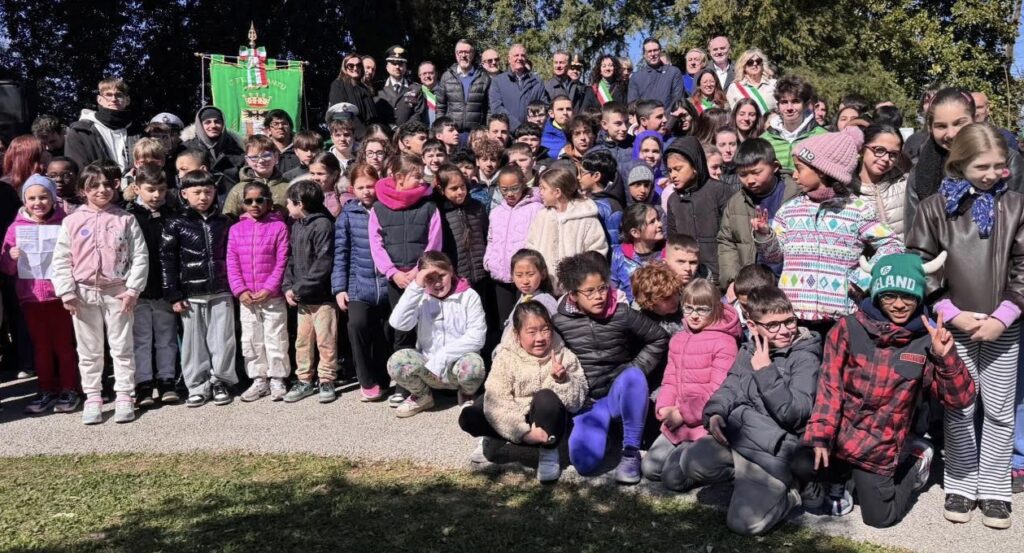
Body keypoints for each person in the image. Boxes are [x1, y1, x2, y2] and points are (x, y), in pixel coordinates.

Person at [799, 253, 975, 528]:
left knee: (880, 518)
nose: (899, 304)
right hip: (842, 435)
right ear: (877, 295)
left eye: (908, 296)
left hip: (881, 444)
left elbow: (960, 400)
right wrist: (821, 435)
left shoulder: (926, 338)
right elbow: (829, 385)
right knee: (800, 462)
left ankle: (917, 458)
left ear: (919, 297)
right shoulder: (848, 328)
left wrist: (946, 357)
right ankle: (843, 475)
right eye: (890, 296)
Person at [906, 124, 1024, 529]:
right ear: (959, 163)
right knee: (959, 405)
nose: (992, 174)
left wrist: (1004, 315)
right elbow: (921, 263)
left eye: (998, 166)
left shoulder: (1017, 206)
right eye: (981, 166)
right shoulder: (934, 208)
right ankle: (960, 483)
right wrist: (949, 311)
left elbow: (1023, 266)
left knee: (1000, 411)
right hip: (953, 324)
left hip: (1003, 324)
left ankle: (994, 488)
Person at [677, 286, 820, 536]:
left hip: (772, 452)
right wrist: (715, 413)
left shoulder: (805, 357)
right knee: (691, 461)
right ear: (752, 326)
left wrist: (765, 371)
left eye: (789, 321)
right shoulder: (749, 349)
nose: (785, 330)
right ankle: (747, 485)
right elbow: (730, 386)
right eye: (773, 325)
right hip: (739, 437)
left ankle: (792, 492)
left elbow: (796, 414)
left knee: (745, 524)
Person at [753, 127, 902, 330]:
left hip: (841, 318)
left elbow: (893, 245)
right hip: (794, 318)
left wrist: (862, 279)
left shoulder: (857, 210)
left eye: (799, 168)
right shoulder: (789, 210)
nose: (794, 175)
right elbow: (774, 257)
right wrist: (764, 235)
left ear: (822, 171)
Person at [552, 251, 669, 483]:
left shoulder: (622, 313)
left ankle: (631, 453)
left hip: (619, 393)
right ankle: (604, 435)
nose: (599, 296)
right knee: (584, 464)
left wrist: (634, 367)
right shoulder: (559, 322)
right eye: (589, 291)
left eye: (603, 288)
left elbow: (658, 338)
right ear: (573, 295)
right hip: (588, 402)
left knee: (634, 376)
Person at [52, 163, 148, 424]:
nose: (101, 190)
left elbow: (140, 256)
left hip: (118, 292)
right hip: (83, 294)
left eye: (107, 184)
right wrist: (67, 291)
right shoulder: (72, 221)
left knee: (122, 346)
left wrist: (133, 289)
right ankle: (93, 396)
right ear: (83, 190)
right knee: (89, 349)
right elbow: (61, 259)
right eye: (94, 186)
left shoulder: (125, 219)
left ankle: (125, 394)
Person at [459, 300, 588, 481]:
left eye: (545, 329)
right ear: (517, 333)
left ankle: (548, 450)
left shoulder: (563, 355)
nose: (540, 338)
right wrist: (523, 433)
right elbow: (497, 398)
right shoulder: (505, 357)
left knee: (546, 399)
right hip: (515, 418)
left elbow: (577, 402)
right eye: (532, 332)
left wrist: (563, 380)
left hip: (545, 422)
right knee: (472, 413)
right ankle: (496, 438)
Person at [644, 278, 741, 485]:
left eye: (702, 309)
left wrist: (683, 414)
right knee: (650, 469)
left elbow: (718, 391)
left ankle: (732, 474)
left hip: (704, 423)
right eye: (688, 308)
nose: (694, 315)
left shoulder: (725, 342)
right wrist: (664, 407)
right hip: (677, 420)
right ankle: (681, 455)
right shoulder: (678, 339)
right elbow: (670, 379)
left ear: (715, 308)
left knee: (673, 479)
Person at [1, 175, 78, 414]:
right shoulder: (16, 228)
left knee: (64, 345)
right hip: (31, 298)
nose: (38, 203)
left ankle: (70, 388)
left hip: (60, 296)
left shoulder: (64, 224)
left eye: (43, 197)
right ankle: (46, 389)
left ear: (53, 198)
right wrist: (11, 257)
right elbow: (6, 267)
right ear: (24, 200)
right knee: (41, 346)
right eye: (32, 198)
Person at [160, 170, 235, 408]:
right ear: (184, 194)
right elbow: (167, 260)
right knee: (194, 343)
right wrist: (173, 294)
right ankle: (197, 385)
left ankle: (220, 381)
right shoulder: (175, 223)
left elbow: (232, 255)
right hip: (191, 294)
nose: (203, 197)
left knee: (223, 339)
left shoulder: (223, 222)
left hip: (221, 290)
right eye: (197, 192)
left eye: (208, 192)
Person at [368, 154, 442, 384]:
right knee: (402, 329)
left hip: (423, 276)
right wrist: (393, 272)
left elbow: (434, 241)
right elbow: (376, 243)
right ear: (399, 178)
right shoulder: (379, 208)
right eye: (416, 176)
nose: (421, 181)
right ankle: (405, 382)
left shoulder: (429, 206)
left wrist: (419, 271)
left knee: (427, 328)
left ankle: (430, 380)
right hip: (396, 279)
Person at [386, 251, 487, 417]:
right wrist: (416, 286)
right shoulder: (420, 297)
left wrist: (443, 356)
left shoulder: (469, 296)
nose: (437, 283)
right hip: (429, 368)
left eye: (441, 276)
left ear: (451, 271)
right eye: (429, 279)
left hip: (456, 367)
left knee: (474, 365)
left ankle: (466, 393)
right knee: (396, 361)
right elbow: (398, 323)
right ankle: (422, 396)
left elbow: (477, 337)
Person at [906, 88, 1024, 228]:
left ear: (974, 119)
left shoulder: (1007, 160)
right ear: (930, 128)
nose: (951, 134)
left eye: (959, 123)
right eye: (941, 126)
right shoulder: (919, 173)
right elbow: (914, 231)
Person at [225, 180, 291, 403]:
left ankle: (278, 378)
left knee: (276, 337)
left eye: (259, 200)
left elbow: (282, 261)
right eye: (249, 201)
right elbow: (232, 262)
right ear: (242, 204)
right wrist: (239, 290)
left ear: (269, 202)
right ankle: (258, 378)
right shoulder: (236, 230)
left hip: (271, 295)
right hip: (247, 297)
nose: (254, 205)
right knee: (251, 339)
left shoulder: (279, 227)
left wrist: (270, 287)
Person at [333, 163, 393, 402]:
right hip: (359, 284)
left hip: (387, 283)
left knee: (385, 332)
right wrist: (339, 288)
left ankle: (383, 379)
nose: (367, 191)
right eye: (361, 187)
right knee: (357, 326)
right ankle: (366, 380)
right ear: (352, 189)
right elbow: (341, 252)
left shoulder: (387, 209)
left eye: (371, 186)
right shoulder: (348, 215)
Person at [124, 164, 179, 407]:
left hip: (165, 289)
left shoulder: (172, 215)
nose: (156, 195)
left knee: (166, 337)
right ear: (137, 189)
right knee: (141, 339)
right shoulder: (129, 217)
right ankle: (143, 383)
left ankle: (167, 380)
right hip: (139, 289)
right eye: (150, 190)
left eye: (161, 189)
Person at [281, 180, 338, 404]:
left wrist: (299, 288)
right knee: (302, 341)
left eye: (289, 203)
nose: (287, 207)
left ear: (300, 203)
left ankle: (327, 379)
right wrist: (288, 286)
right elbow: (291, 259)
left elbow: (324, 262)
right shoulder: (297, 225)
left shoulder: (323, 225)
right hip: (302, 298)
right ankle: (304, 379)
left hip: (322, 298)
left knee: (326, 340)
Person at [717, 137, 799, 287]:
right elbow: (727, 242)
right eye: (743, 175)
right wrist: (733, 281)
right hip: (752, 285)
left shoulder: (796, 195)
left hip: (791, 282)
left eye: (756, 172)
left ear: (775, 166)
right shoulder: (736, 203)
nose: (750, 180)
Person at [524, 165, 609, 293]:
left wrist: (581, 279)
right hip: (545, 286)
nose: (540, 192)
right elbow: (531, 246)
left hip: (576, 288)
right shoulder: (542, 216)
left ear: (557, 192)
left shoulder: (586, 218)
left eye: (543, 188)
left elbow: (596, 252)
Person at [663, 137, 731, 284]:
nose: (673, 175)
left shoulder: (720, 191)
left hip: (720, 277)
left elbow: (732, 238)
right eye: (670, 170)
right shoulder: (674, 200)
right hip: (688, 279)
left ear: (695, 166)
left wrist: (730, 278)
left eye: (678, 169)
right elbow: (673, 243)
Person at [484, 165, 544, 323]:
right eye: (504, 190)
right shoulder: (496, 212)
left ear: (523, 184)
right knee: (504, 322)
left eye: (514, 188)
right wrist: (489, 260)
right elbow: (491, 239)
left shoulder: (536, 208)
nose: (510, 194)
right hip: (500, 275)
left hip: (525, 276)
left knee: (525, 319)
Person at [65, 77, 141, 173]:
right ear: (99, 99)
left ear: (127, 100)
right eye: (108, 95)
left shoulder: (138, 133)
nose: (113, 99)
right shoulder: (80, 132)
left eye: (119, 95)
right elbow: (78, 171)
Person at [850, 124, 910, 242]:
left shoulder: (906, 184)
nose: (886, 158)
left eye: (893, 154)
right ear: (862, 148)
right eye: (879, 150)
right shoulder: (846, 190)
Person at [762, 76, 826, 173]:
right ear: (778, 106)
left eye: (795, 101)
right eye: (784, 102)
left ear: (805, 105)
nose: (789, 108)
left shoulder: (823, 137)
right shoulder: (764, 140)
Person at [222, 135, 287, 218]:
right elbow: (228, 219)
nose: (261, 160)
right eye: (254, 157)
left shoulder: (287, 187)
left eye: (266, 155)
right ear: (247, 160)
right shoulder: (238, 190)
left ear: (276, 157)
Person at [610, 203, 664, 303]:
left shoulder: (667, 252)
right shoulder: (619, 255)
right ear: (635, 233)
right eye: (652, 222)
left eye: (658, 219)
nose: (660, 224)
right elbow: (613, 290)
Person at [182, 105, 245, 191]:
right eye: (207, 122)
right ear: (200, 125)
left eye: (217, 121)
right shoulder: (187, 149)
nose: (213, 125)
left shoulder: (236, 148)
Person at [489, 44, 549, 131]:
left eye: (523, 55)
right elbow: (497, 108)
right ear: (509, 59)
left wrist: (533, 126)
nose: (520, 58)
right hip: (508, 133)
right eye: (516, 55)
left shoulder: (537, 81)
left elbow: (544, 106)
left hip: (532, 133)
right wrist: (517, 127)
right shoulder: (498, 81)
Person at [579, 149, 626, 247]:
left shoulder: (612, 207)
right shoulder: (587, 200)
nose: (578, 177)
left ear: (596, 176)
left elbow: (614, 244)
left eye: (582, 172)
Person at [375, 46, 426, 130]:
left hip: (408, 133)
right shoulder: (377, 88)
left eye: (401, 64)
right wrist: (392, 127)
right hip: (384, 133)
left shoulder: (416, 88)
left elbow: (418, 113)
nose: (397, 67)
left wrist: (403, 130)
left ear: (405, 67)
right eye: (393, 63)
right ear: (387, 67)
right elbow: (376, 113)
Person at [627, 38, 685, 109]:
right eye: (649, 51)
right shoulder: (636, 77)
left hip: (668, 115)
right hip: (645, 115)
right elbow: (632, 104)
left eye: (655, 50)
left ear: (660, 51)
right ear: (644, 54)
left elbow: (677, 101)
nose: (653, 54)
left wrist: (663, 116)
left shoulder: (673, 72)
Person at [630, 261, 685, 335]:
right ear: (649, 301)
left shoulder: (688, 311)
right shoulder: (640, 324)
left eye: (676, 292)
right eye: (666, 298)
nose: (674, 300)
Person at [328, 53, 378, 129]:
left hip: (371, 131)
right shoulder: (338, 84)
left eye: (358, 65)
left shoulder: (366, 89)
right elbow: (340, 113)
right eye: (351, 66)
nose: (355, 68)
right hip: (351, 131)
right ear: (345, 67)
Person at [725, 49, 777, 113]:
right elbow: (732, 113)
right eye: (750, 62)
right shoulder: (734, 87)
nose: (755, 64)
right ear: (743, 66)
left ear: (762, 64)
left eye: (758, 61)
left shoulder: (773, 84)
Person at [591, 102, 634, 169]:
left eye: (626, 122)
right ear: (604, 125)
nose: (625, 128)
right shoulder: (595, 152)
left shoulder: (636, 145)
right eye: (618, 124)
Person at [262, 110, 300, 175]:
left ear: (290, 127)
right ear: (268, 130)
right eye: (275, 124)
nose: (280, 127)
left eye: (284, 123)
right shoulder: (263, 150)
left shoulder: (301, 148)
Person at [418, 61, 438, 125]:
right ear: (419, 76)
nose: (427, 76)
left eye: (431, 73)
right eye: (424, 73)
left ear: (436, 74)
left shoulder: (445, 90)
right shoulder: (416, 92)